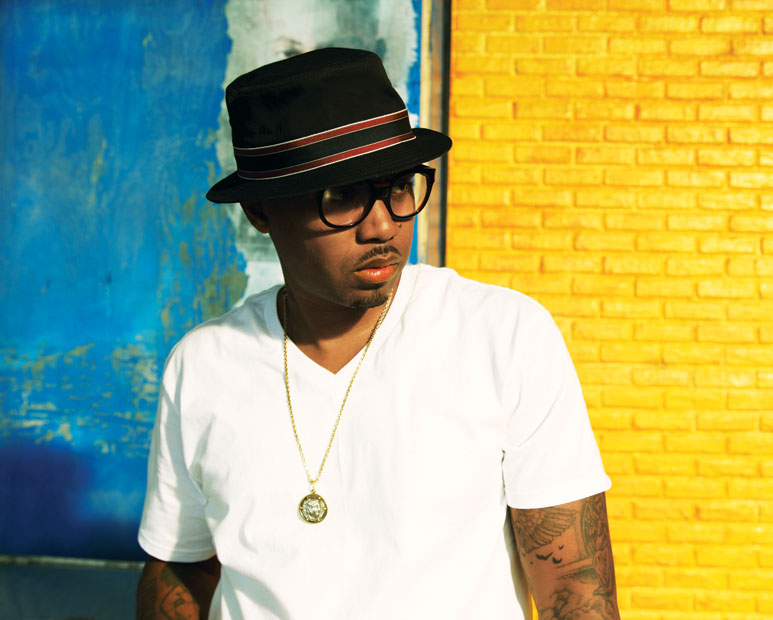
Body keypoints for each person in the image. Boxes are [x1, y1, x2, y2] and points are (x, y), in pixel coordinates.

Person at [135, 48, 620, 620]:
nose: (384, 225)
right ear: (260, 212)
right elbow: (183, 566)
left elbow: (575, 591)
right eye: (341, 196)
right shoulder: (203, 365)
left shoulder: (502, 336)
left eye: (399, 187)